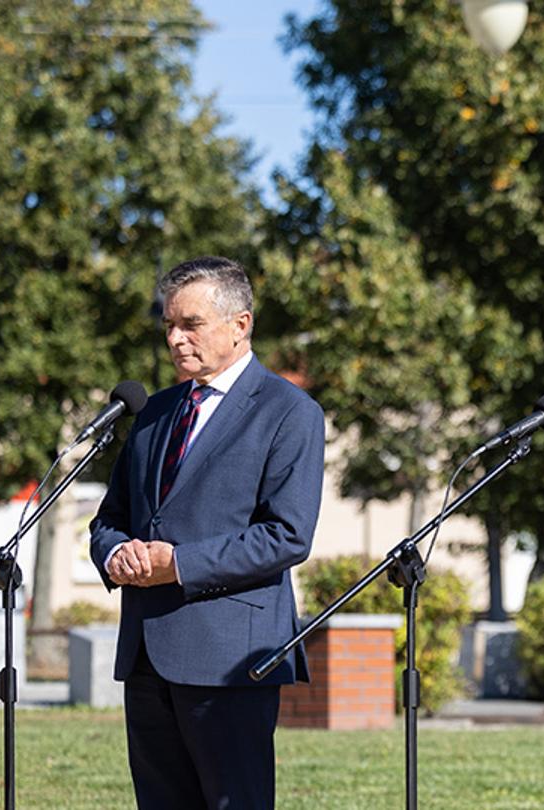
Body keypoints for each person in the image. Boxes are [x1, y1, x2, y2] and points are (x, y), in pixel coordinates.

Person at [89, 256, 327, 808]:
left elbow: (287, 535)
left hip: (229, 662)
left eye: (190, 324)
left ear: (240, 325)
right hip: (147, 654)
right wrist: (116, 551)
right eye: (169, 325)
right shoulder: (152, 412)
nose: (174, 339)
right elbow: (110, 517)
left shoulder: (290, 412)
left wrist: (179, 564)